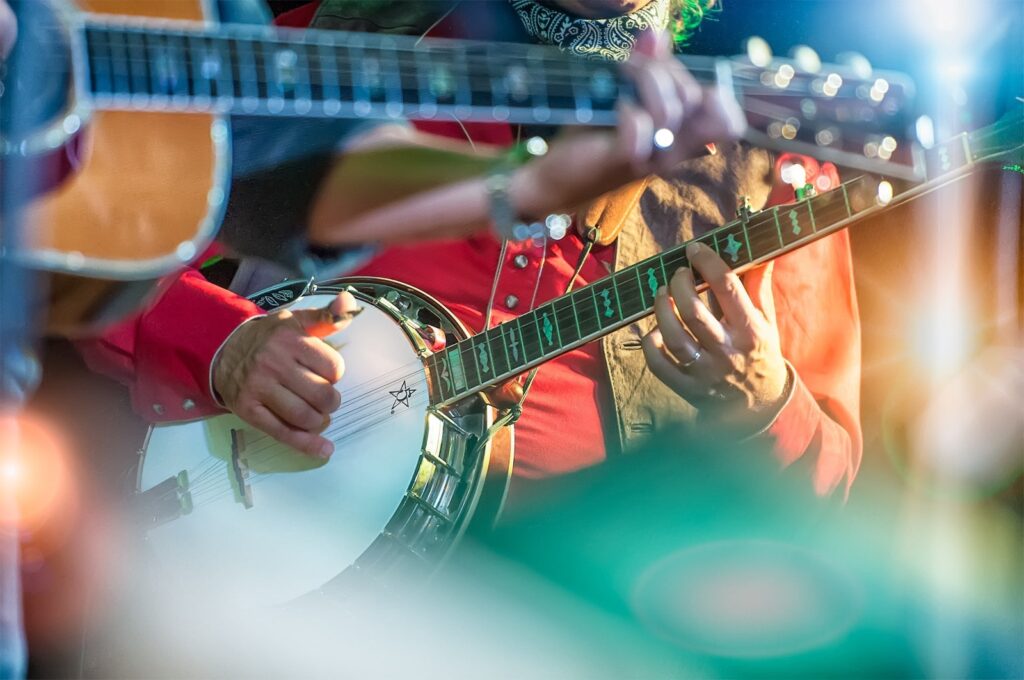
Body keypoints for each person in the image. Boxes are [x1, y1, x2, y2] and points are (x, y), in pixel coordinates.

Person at [80, 0, 861, 506]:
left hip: (554, 608)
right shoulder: (338, 44)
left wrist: (764, 403)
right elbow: (84, 230)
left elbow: (830, 480)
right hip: (259, 557)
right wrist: (223, 342)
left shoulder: (776, 167)